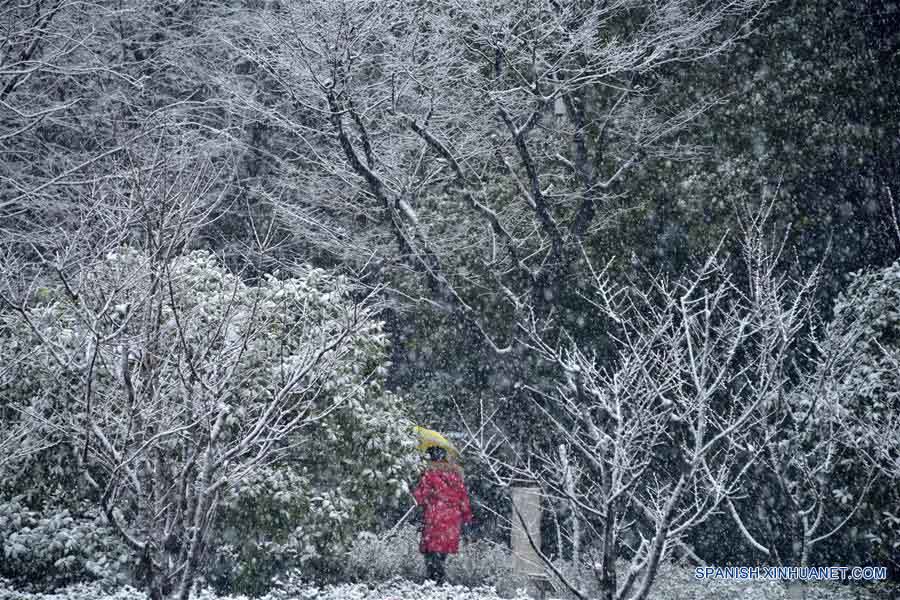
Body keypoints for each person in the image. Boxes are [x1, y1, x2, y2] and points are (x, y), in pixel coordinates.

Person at [412, 445, 473, 585]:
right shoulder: (455, 476)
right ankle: (439, 584)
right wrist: (467, 518)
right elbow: (464, 500)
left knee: (431, 555)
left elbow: (420, 497)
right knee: (441, 554)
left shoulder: (429, 475)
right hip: (452, 521)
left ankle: (434, 584)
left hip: (435, 519)